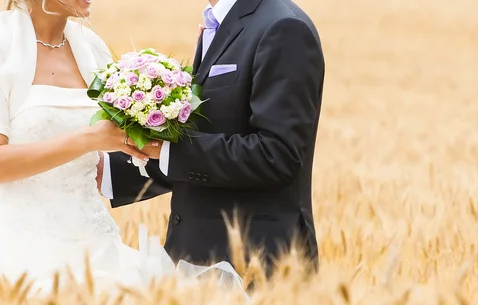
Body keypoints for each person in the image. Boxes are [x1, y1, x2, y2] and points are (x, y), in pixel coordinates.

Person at [0, 0, 243, 293]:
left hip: (94, 243)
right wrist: (91, 140)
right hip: (14, 249)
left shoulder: (91, 49)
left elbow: (126, 135)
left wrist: (184, 85)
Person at [100, 0, 325, 276]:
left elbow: (277, 155)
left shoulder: (284, 27)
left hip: (259, 266)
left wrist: (167, 149)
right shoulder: (220, 22)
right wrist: (106, 172)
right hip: (197, 262)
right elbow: (210, 139)